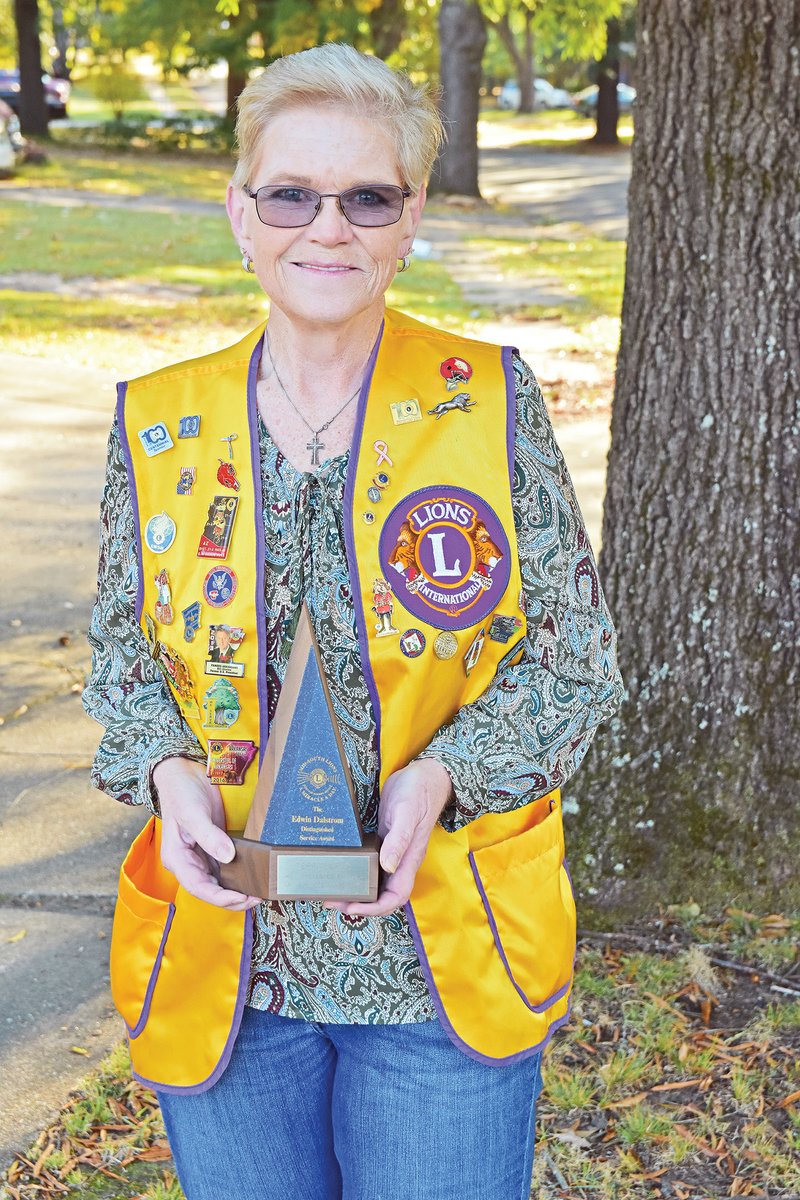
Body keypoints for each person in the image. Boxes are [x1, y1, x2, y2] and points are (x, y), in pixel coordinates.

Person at [83, 43, 623, 1200]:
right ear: (240, 210)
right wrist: (169, 776)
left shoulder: (488, 399)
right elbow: (122, 659)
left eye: (365, 196)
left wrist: (441, 778)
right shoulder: (159, 422)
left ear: (409, 217)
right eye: (290, 193)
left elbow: (574, 663)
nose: (325, 228)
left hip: (438, 961)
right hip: (230, 966)